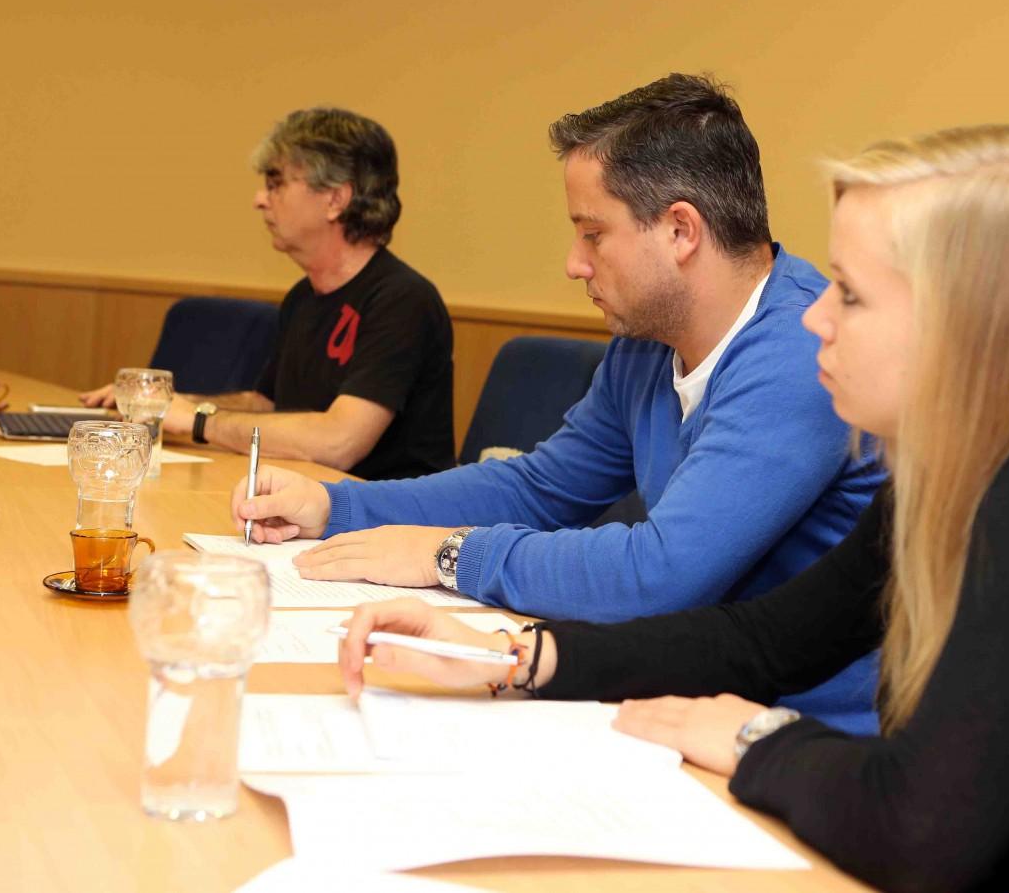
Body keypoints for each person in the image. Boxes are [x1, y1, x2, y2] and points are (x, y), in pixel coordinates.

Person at [323, 126, 1009, 892]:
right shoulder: (958, 475)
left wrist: (753, 737)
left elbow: (919, 831)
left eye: (851, 293)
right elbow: (763, 640)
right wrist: (517, 657)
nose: (816, 318)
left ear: (977, 321)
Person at [234, 74, 885, 732]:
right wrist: (338, 507)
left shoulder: (801, 350)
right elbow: (541, 487)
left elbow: (661, 573)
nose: (575, 263)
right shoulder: (648, 339)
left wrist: (450, 553)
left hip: (800, 735)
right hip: (681, 698)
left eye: (592, 233)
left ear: (680, 230)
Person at [82, 108, 455, 480]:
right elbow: (267, 404)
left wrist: (198, 420)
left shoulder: (403, 300)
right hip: (309, 495)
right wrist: (162, 403)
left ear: (335, 200)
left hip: (383, 509)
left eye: (276, 184)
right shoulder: (303, 297)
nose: (260, 199)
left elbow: (338, 442)